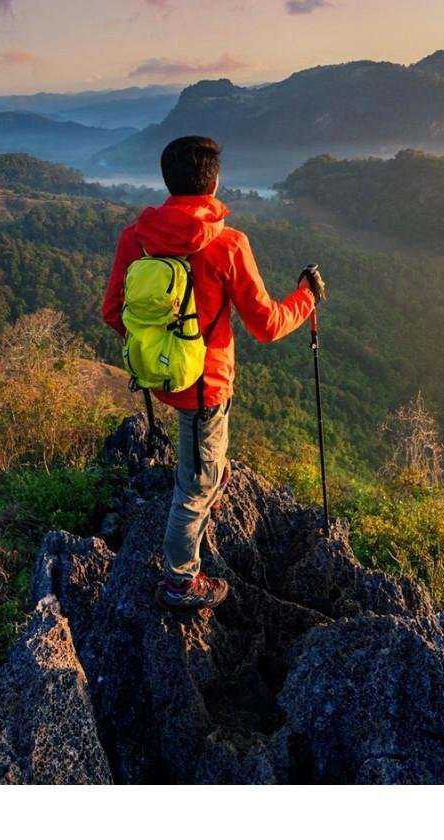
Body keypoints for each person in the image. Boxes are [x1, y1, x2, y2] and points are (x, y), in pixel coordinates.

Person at [102, 136, 325, 611]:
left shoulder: (136, 238)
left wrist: (160, 349)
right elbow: (266, 325)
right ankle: (180, 581)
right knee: (193, 487)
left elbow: (113, 312)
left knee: (204, 458)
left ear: (168, 180)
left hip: (162, 376)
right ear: (214, 182)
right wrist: (305, 298)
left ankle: (210, 479)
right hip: (207, 386)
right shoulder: (228, 244)